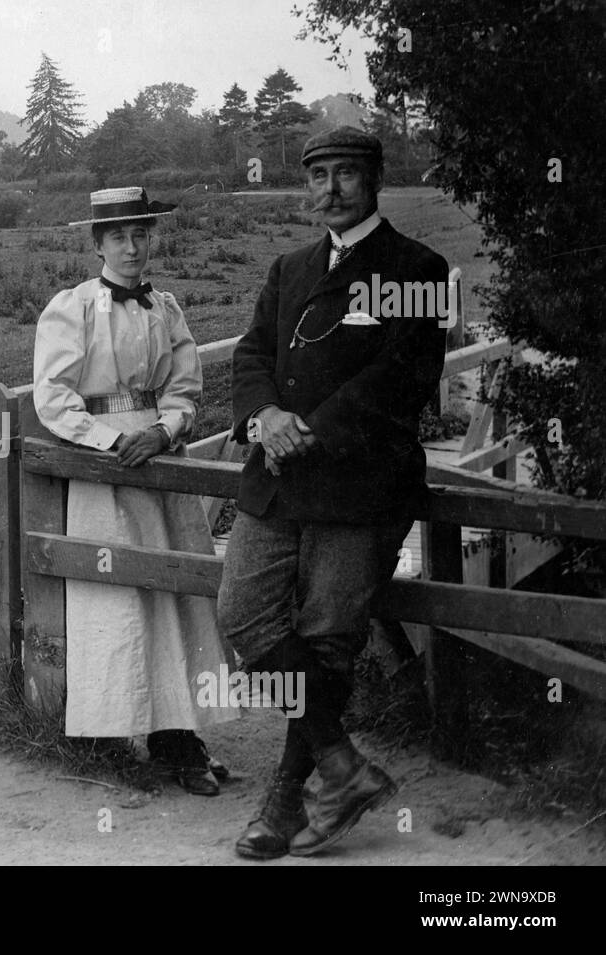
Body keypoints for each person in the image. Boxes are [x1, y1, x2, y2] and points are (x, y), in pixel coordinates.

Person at [219, 127, 448, 857]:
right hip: (278, 482)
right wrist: (266, 415)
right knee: (244, 615)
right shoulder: (290, 268)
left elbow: (402, 378)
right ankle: (343, 766)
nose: (332, 189)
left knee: (326, 643)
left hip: (361, 486)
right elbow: (252, 353)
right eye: (319, 176)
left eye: (347, 174)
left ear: (374, 179)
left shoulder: (418, 267)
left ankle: (285, 803)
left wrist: (311, 427)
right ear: (305, 186)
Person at [33, 186, 237, 796]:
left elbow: (185, 388)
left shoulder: (165, 308)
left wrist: (164, 429)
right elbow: (53, 396)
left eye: (140, 234)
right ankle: (110, 738)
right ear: (98, 244)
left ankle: (180, 736)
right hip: (107, 468)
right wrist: (105, 442)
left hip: (158, 459)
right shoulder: (74, 309)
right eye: (118, 236)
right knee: (118, 596)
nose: (131, 246)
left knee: (175, 593)